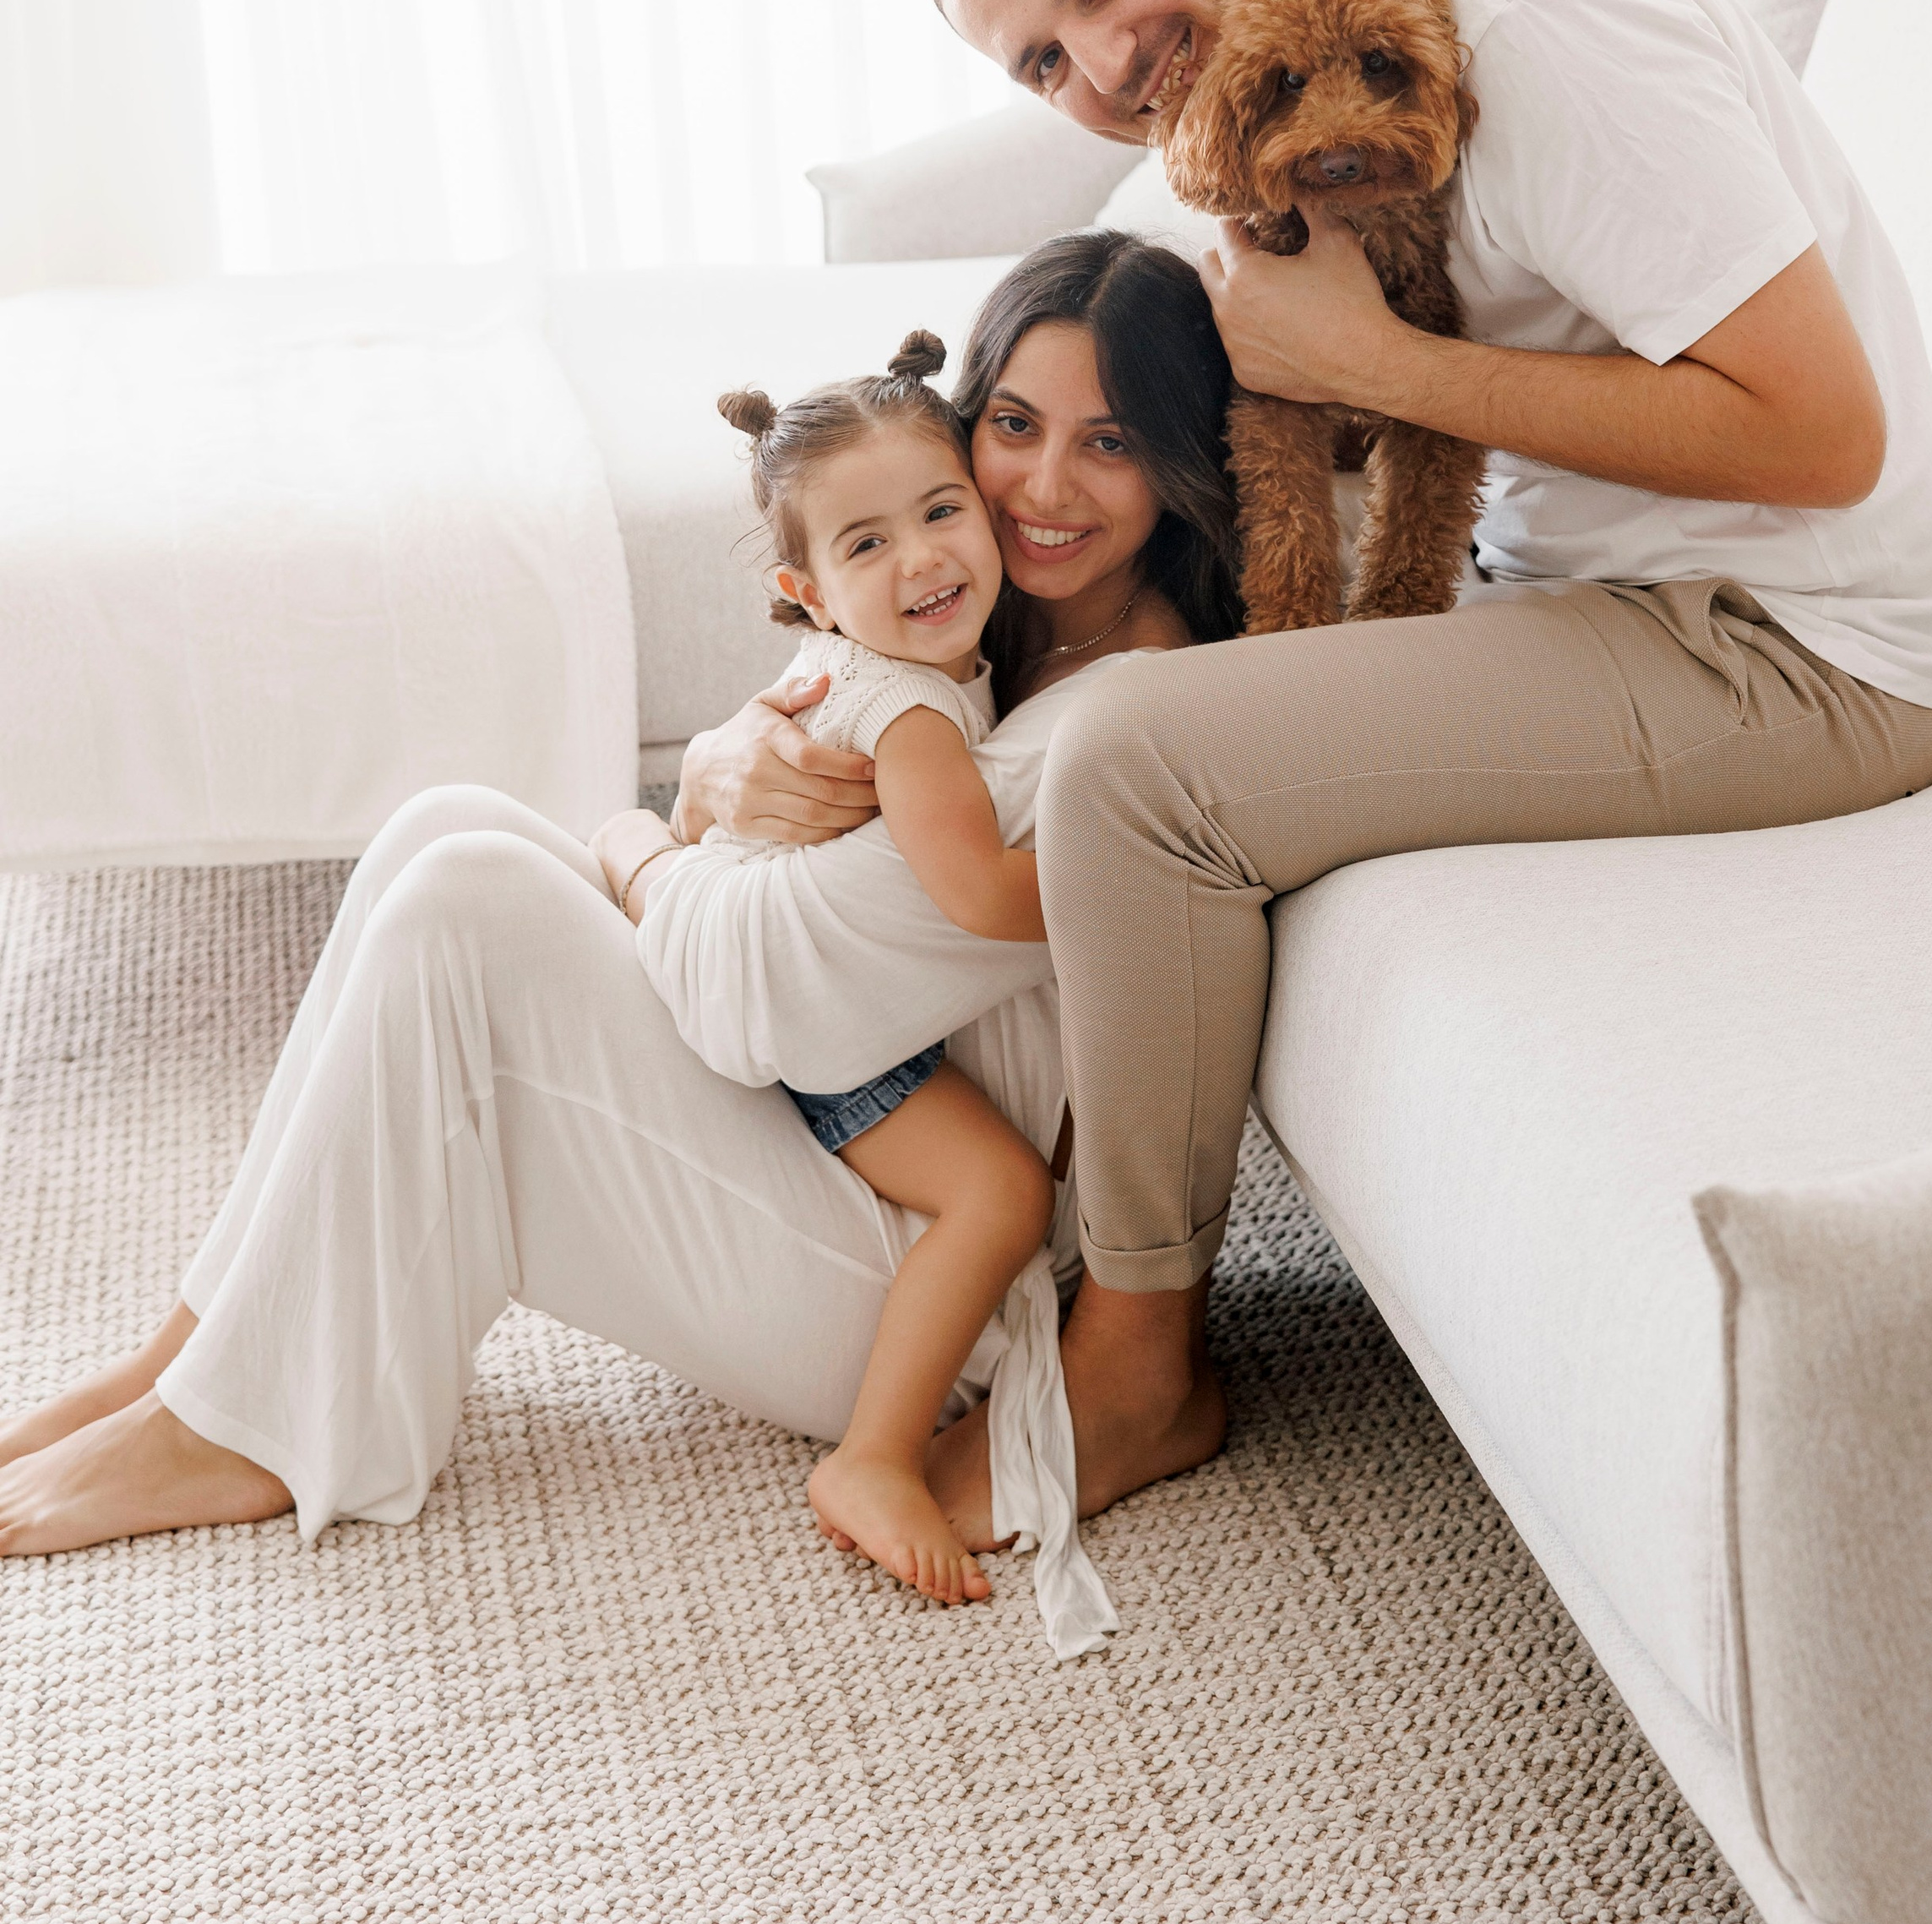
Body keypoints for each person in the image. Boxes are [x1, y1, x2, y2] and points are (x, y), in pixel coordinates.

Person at [683, 0, 1932, 1551]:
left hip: (1791, 644)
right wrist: (784, 730)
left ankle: (1138, 1357)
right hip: (1576, 585)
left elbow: (1824, 437)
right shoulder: (1260, 107)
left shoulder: (1534, 33)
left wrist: (1380, 367)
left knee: (1137, 761)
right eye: (1043, 61)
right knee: (1158, 685)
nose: (1102, 66)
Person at [0, 232, 1240, 1653]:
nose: (1042, 487)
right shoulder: (999, 638)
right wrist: (710, 778)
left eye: (1110, 443)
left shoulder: (1106, 722)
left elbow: (758, 999)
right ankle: (200, 1355)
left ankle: (248, 1426)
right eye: (1013, 425)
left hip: (939, 1294)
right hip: (858, 1149)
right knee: (444, 827)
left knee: (474, 900)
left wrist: (641, 838)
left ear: (1181, 467)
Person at [604, 328, 1062, 1611]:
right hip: (813, 1022)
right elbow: (980, 896)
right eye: (867, 544)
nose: (921, 559)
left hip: (768, 950)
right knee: (1000, 1196)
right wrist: (1154, 865)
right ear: (805, 593)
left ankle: (628, 851)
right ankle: (874, 1458)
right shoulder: (911, 711)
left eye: (941, 511)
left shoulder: (879, 663)